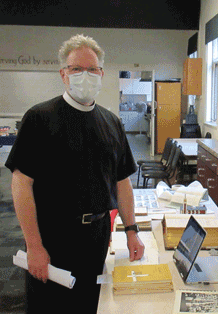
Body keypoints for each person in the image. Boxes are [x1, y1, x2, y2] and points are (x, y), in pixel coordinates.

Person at [6, 34, 145, 314]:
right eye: (76, 69)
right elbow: (21, 185)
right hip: (53, 236)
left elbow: (122, 183)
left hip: (96, 235)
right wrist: (34, 246)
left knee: (90, 303)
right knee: (50, 305)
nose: (86, 75)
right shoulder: (40, 118)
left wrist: (131, 231)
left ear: (102, 73)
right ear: (63, 74)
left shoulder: (111, 122)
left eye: (92, 69)